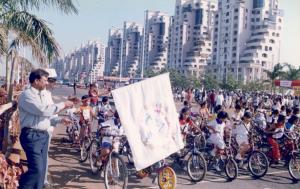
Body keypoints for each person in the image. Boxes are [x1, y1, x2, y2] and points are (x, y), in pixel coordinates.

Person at [18, 69, 73, 189]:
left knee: (41, 171)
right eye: (45, 80)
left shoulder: (43, 94)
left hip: (43, 135)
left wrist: (59, 120)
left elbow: (46, 116)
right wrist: (64, 104)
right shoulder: (27, 95)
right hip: (31, 135)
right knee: (37, 169)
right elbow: (42, 110)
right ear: (36, 81)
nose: (47, 83)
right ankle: (21, 185)